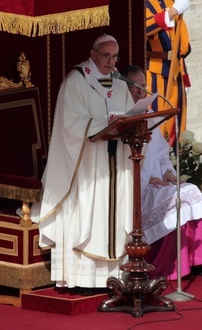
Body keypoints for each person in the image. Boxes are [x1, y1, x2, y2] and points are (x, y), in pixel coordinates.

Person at [37, 34, 135, 292]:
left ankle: (116, 276)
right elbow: (70, 125)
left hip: (114, 161)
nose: (112, 62)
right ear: (93, 55)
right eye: (106, 56)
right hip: (87, 167)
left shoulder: (120, 84)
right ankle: (84, 278)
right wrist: (106, 125)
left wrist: (128, 124)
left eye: (115, 57)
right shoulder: (75, 82)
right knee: (90, 215)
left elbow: (129, 116)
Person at [121, 65, 202, 279]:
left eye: (143, 86)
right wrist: (148, 178)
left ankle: (195, 260)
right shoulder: (123, 122)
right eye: (135, 87)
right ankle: (169, 267)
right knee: (176, 198)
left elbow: (162, 154)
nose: (141, 92)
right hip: (140, 186)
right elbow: (122, 164)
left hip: (158, 182)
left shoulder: (152, 118)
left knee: (190, 190)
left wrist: (167, 173)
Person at [145, 0, 191, 147]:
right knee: (157, 121)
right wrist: (171, 12)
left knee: (177, 120)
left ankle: (176, 164)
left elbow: (178, 34)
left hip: (175, 69)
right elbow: (145, 27)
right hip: (155, 69)